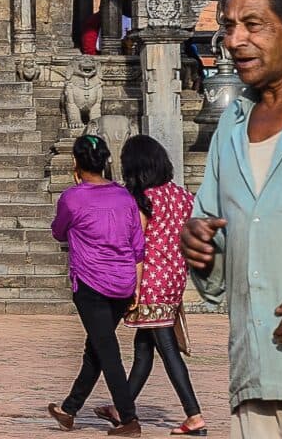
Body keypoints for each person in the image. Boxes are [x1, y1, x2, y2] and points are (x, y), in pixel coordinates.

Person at [185, 0, 282, 437]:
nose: (234, 41)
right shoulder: (231, 133)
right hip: (255, 379)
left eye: (253, 25)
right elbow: (216, 277)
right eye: (228, 26)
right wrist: (199, 247)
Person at [94, 133, 206, 435]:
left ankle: (194, 414)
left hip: (150, 283)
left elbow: (136, 246)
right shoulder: (184, 197)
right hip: (173, 280)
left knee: (167, 348)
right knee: (144, 348)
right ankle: (123, 406)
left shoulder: (142, 201)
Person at [50, 131, 143, 434]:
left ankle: (128, 418)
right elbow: (137, 244)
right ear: (105, 161)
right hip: (122, 283)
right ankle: (69, 408)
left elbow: (59, 232)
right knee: (97, 347)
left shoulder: (72, 198)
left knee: (106, 349)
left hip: (91, 283)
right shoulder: (124, 197)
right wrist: (137, 287)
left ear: (75, 163)